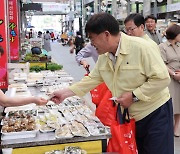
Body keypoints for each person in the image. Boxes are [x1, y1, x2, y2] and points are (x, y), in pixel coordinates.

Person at [51, 13, 173, 154]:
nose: (91, 44)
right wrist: (64, 93)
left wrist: (134, 96)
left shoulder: (142, 47)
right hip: (132, 116)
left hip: (155, 113)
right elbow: (92, 79)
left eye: (92, 38)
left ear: (106, 34)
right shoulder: (105, 56)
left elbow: (162, 79)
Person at [159, 24, 180, 137]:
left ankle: (177, 128)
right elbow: (161, 63)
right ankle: (167, 128)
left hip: (179, 77)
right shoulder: (162, 47)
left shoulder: (179, 46)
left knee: (179, 103)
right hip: (169, 78)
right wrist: (173, 74)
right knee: (170, 103)